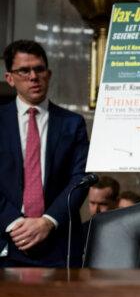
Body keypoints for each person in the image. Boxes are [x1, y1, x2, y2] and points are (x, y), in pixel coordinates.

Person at [0, 40, 88, 267]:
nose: (33, 76)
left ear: (48, 74)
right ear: (10, 78)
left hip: (58, 244)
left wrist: (48, 222)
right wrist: (14, 224)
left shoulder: (72, 123)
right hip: (6, 241)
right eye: (24, 70)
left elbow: (80, 178)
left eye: (39, 69)